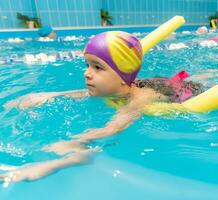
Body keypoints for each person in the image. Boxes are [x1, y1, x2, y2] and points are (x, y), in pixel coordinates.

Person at [1, 31, 205, 183]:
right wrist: (48, 96)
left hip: (183, 91)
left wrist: (79, 142)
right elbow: (83, 94)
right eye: (87, 65)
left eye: (97, 67)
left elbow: (115, 126)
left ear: (122, 75)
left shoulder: (141, 99)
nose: (87, 73)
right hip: (149, 82)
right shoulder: (114, 87)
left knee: (203, 80)